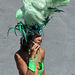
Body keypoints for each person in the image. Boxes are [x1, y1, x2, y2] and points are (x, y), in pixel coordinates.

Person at [7, 0, 70, 75]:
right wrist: (32, 57)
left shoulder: (42, 52)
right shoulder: (19, 55)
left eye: (40, 35)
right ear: (29, 38)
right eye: (37, 36)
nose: (40, 38)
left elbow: (43, 73)